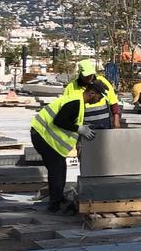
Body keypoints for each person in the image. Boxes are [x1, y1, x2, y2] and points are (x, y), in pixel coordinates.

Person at [30, 84, 103, 214]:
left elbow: (68, 119)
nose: (99, 99)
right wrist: (79, 129)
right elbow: (59, 121)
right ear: (92, 93)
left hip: (43, 136)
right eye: (99, 96)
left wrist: (82, 126)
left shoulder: (78, 101)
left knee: (58, 170)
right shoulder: (75, 103)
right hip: (43, 136)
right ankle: (55, 206)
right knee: (57, 171)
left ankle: (57, 201)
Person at [62, 59, 121, 129]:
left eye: (91, 75)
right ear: (80, 74)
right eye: (86, 76)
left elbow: (113, 101)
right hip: (85, 128)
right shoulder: (71, 87)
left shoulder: (102, 82)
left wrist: (116, 120)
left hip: (104, 126)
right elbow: (65, 110)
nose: (89, 78)